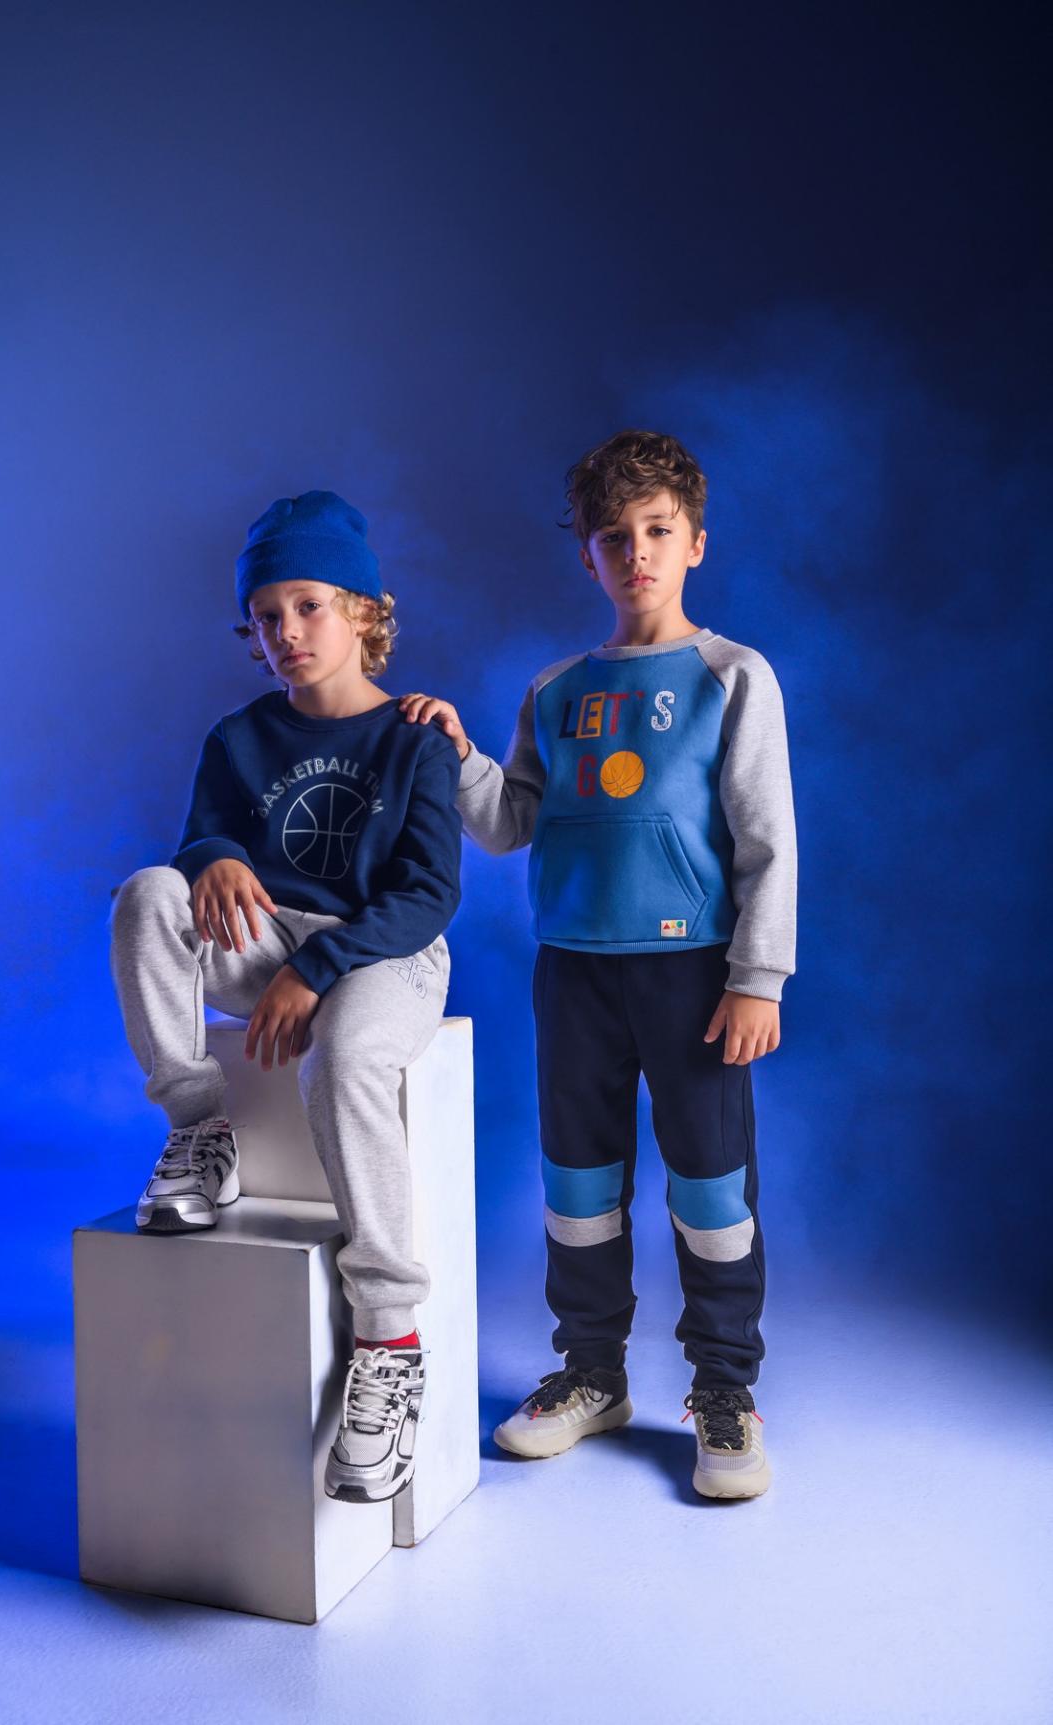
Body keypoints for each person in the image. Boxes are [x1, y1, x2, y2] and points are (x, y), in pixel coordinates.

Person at [400, 430, 796, 1498]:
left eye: (657, 530)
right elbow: (510, 821)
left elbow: (766, 839)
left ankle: (724, 1391)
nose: (637, 552)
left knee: (712, 1193)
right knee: (579, 1187)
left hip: (695, 976)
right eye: (613, 536)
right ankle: (591, 1373)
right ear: (587, 555)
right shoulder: (557, 690)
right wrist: (460, 754)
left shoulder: (732, 677)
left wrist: (757, 977)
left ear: (695, 541)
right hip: (573, 972)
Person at [111, 489, 462, 1504]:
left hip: (388, 951)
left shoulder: (414, 738)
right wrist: (214, 857)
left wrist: (319, 969)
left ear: (363, 611)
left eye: (308, 606)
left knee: (344, 1055)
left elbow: (428, 894)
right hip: (268, 939)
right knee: (146, 895)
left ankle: (389, 1340)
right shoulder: (239, 737)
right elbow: (201, 833)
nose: (287, 632)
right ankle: (200, 1130)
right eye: (266, 616)